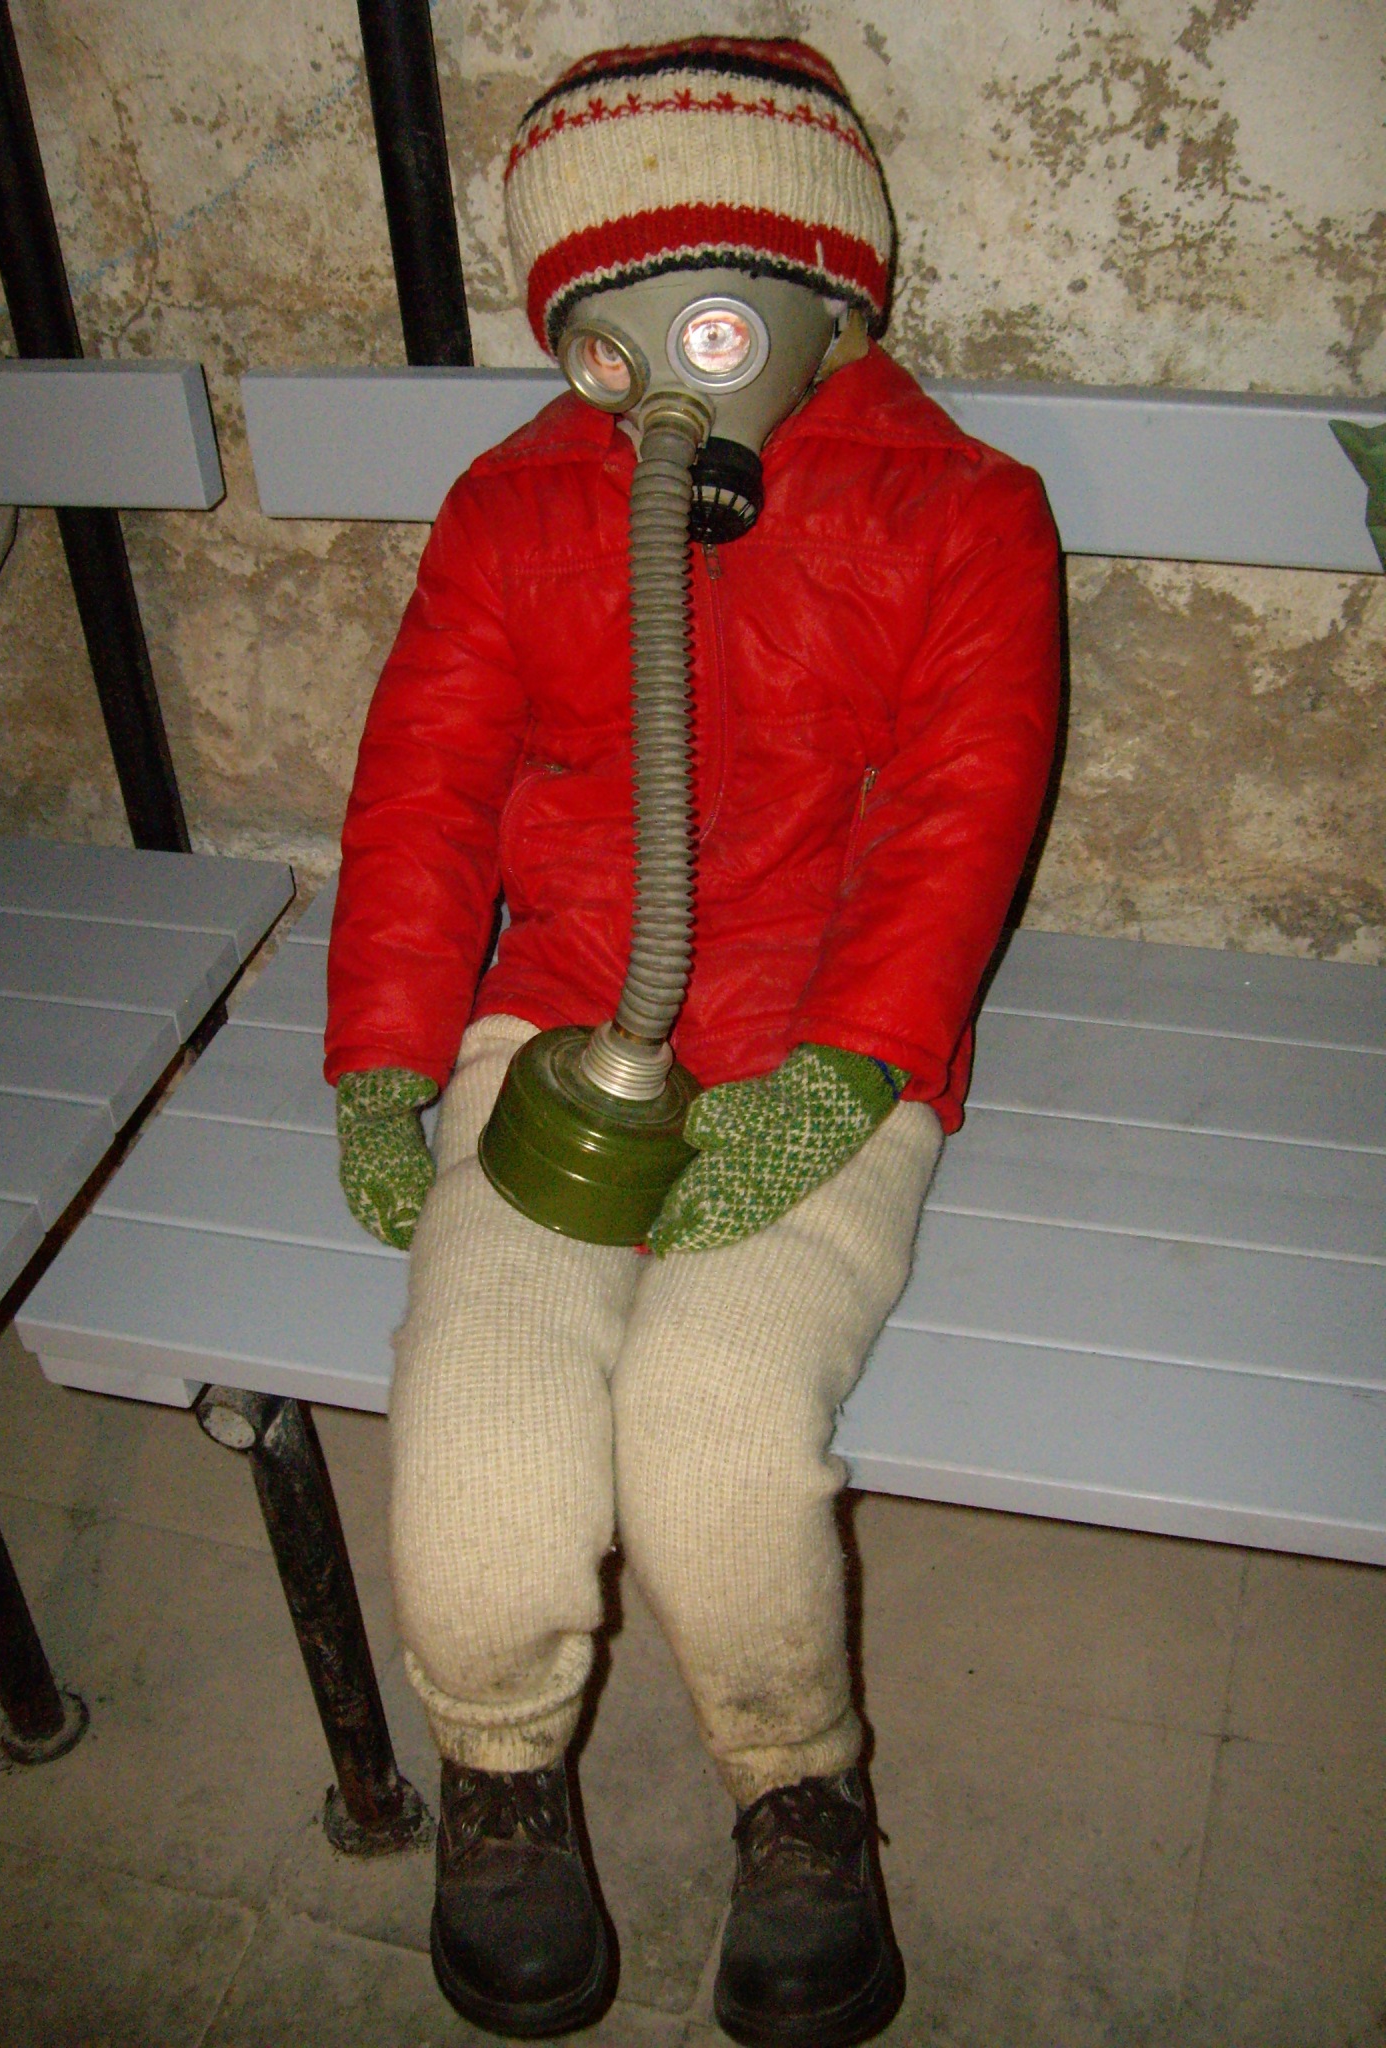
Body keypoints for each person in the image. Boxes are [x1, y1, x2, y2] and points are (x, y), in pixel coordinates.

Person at [326, 36, 1060, 2045]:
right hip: (567, 1024)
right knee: (482, 1405)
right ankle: (496, 1760)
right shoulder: (512, 507)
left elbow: (959, 816)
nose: (666, 375)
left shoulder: (965, 513)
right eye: (611, 331)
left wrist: (851, 1068)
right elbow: (420, 797)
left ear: (830, 291)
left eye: (713, 318)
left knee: (716, 1422)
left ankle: (796, 1787)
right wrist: (387, 1059)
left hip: (833, 1043)